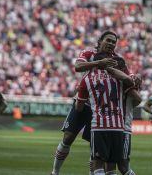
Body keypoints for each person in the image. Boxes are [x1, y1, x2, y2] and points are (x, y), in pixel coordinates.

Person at [51, 31, 120, 175]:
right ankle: (55, 172)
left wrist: (134, 76)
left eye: (114, 42)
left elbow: (126, 73)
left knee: (95, 147)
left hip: (101, 109)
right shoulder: (89, 53)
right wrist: (99, 63)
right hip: (84, 102)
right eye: (108, 40)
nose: (111, 44)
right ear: (100, 41)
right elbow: (77, 67)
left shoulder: (117, 59)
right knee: (68, 138)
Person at [75, 52, 135, 175]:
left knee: (98, 166)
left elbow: (79, 108)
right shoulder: (118, 76)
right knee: (111, 167)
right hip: (118, 127)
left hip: (99, 126)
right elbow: (129, 80)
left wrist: (83, 99)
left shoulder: (86, 79)